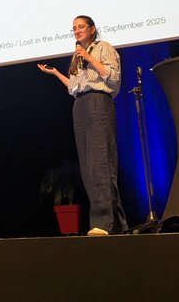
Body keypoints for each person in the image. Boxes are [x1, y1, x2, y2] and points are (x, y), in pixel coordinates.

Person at [38, 15, 128, 236]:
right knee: (88, 168)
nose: (77, 31)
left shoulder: (103, 47)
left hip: (98, 102)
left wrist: (88, 56)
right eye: (74, 28)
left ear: (92, 29)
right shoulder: (77, 56)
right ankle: (117, 225)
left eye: (81, 27)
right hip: (80, 106)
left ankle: (104, 223)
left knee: (101, 164)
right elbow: (74, 87)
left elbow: (112, 76)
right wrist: (56, 73)